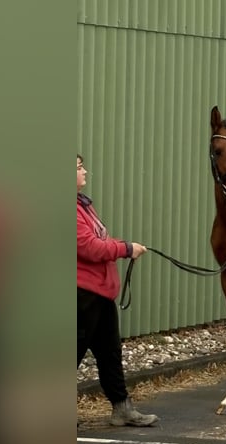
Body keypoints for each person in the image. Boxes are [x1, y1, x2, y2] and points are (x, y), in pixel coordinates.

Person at [76, 154, 158, 426]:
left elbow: (100, 239)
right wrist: (125, 249)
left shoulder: (83, 205)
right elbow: (89, 247)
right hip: (81, 295)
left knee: (110, 352)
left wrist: (126, 246)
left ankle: (121, 407)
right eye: (78, 167)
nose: (85, 170)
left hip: (98, 294)